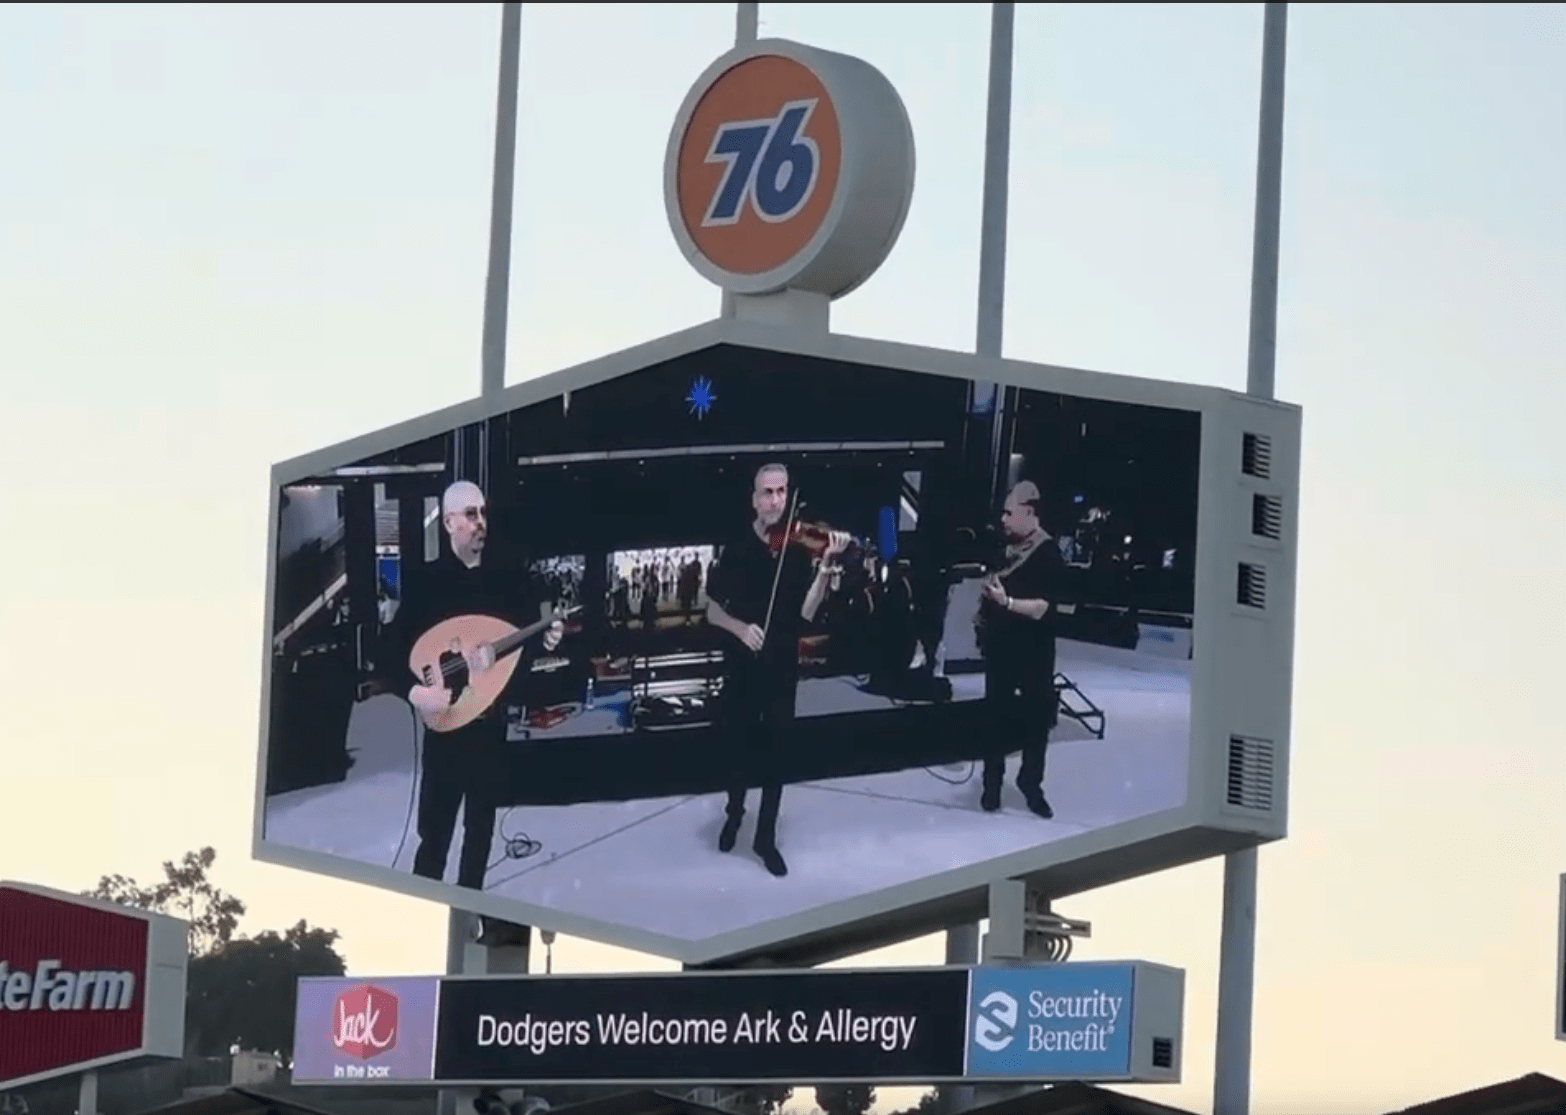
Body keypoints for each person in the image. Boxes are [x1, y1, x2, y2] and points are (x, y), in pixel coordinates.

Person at [385, 479, 563, 890]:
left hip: (489, 726)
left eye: (483, 512)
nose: (480, 522)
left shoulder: (508, 581)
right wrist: (417, 693)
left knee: (480, 834)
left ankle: (468, 916)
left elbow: (523, 646)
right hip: (445, 732)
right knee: (434, 839)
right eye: (469, 514)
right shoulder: (427, 584)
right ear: (448, 522)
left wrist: (547, 639)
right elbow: (388, 653)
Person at [705, 463, 848, 877]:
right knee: (738, 749)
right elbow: (711, 609)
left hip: (782, 665)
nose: (775, 500)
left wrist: (823, 571)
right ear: (754, 498)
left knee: (777, 755)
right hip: (742, 665)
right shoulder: (736, 546)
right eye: (767, 492)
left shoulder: (800, 546)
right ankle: (734, 813)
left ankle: (765, 838)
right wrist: (739, 627)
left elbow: (805, 613)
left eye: (782, 492)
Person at [975, 480, 1073, 818]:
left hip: (1034, 652)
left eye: (1008, 512)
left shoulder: (1048, 554)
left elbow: (1045, 608)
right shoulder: (1003, 549)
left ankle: (1031, 784)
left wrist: (1007, 602)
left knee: (1035, 723)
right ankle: (991, 786)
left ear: (1029, 513)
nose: (1002, 518)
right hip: (1001, 649)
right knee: (994, 719)